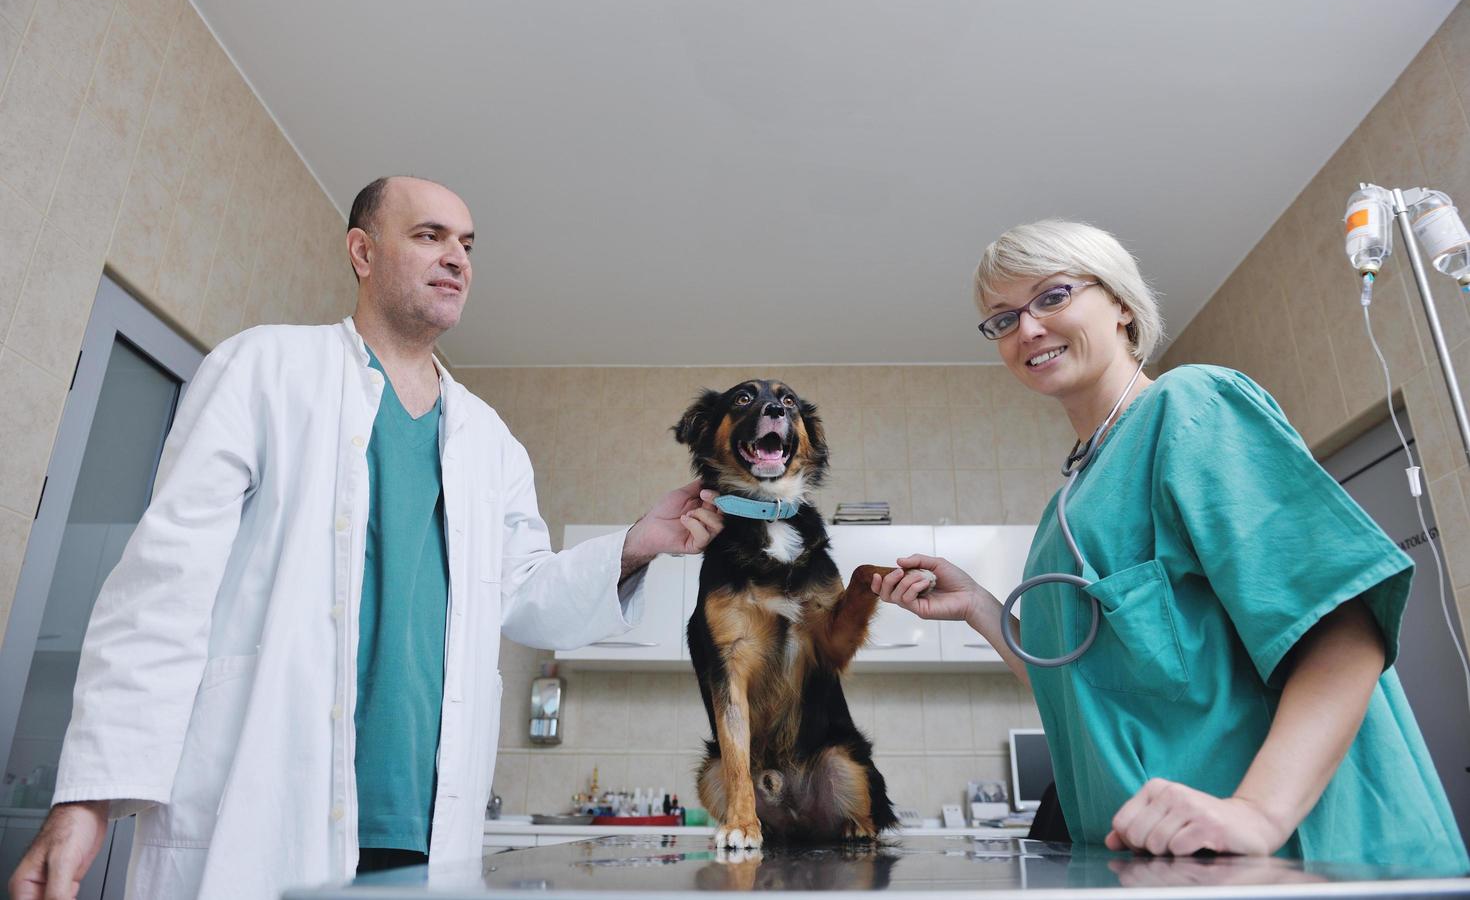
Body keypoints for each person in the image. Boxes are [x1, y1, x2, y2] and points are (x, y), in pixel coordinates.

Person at [8, 176, 725, 899]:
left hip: (425, 833)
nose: (457, 258)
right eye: (429, 235)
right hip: (264, 808)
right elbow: (164, 586)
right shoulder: (263, 370)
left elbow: (526, 597)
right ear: (362, 250)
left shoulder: (491, 443)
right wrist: (88, 795)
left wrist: (639, 543)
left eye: (467, 245)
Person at [871, 219, 1467, 870]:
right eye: (1003, 319)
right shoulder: (1066, 509)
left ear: (1122, 303)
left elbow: (1345, 627)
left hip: (1296, 861)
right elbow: (1077, 682)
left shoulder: (1192, 407)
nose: (1029, 329)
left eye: (1053, 296)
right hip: (1156, 864)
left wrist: (1258, 813)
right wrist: (980, 608)